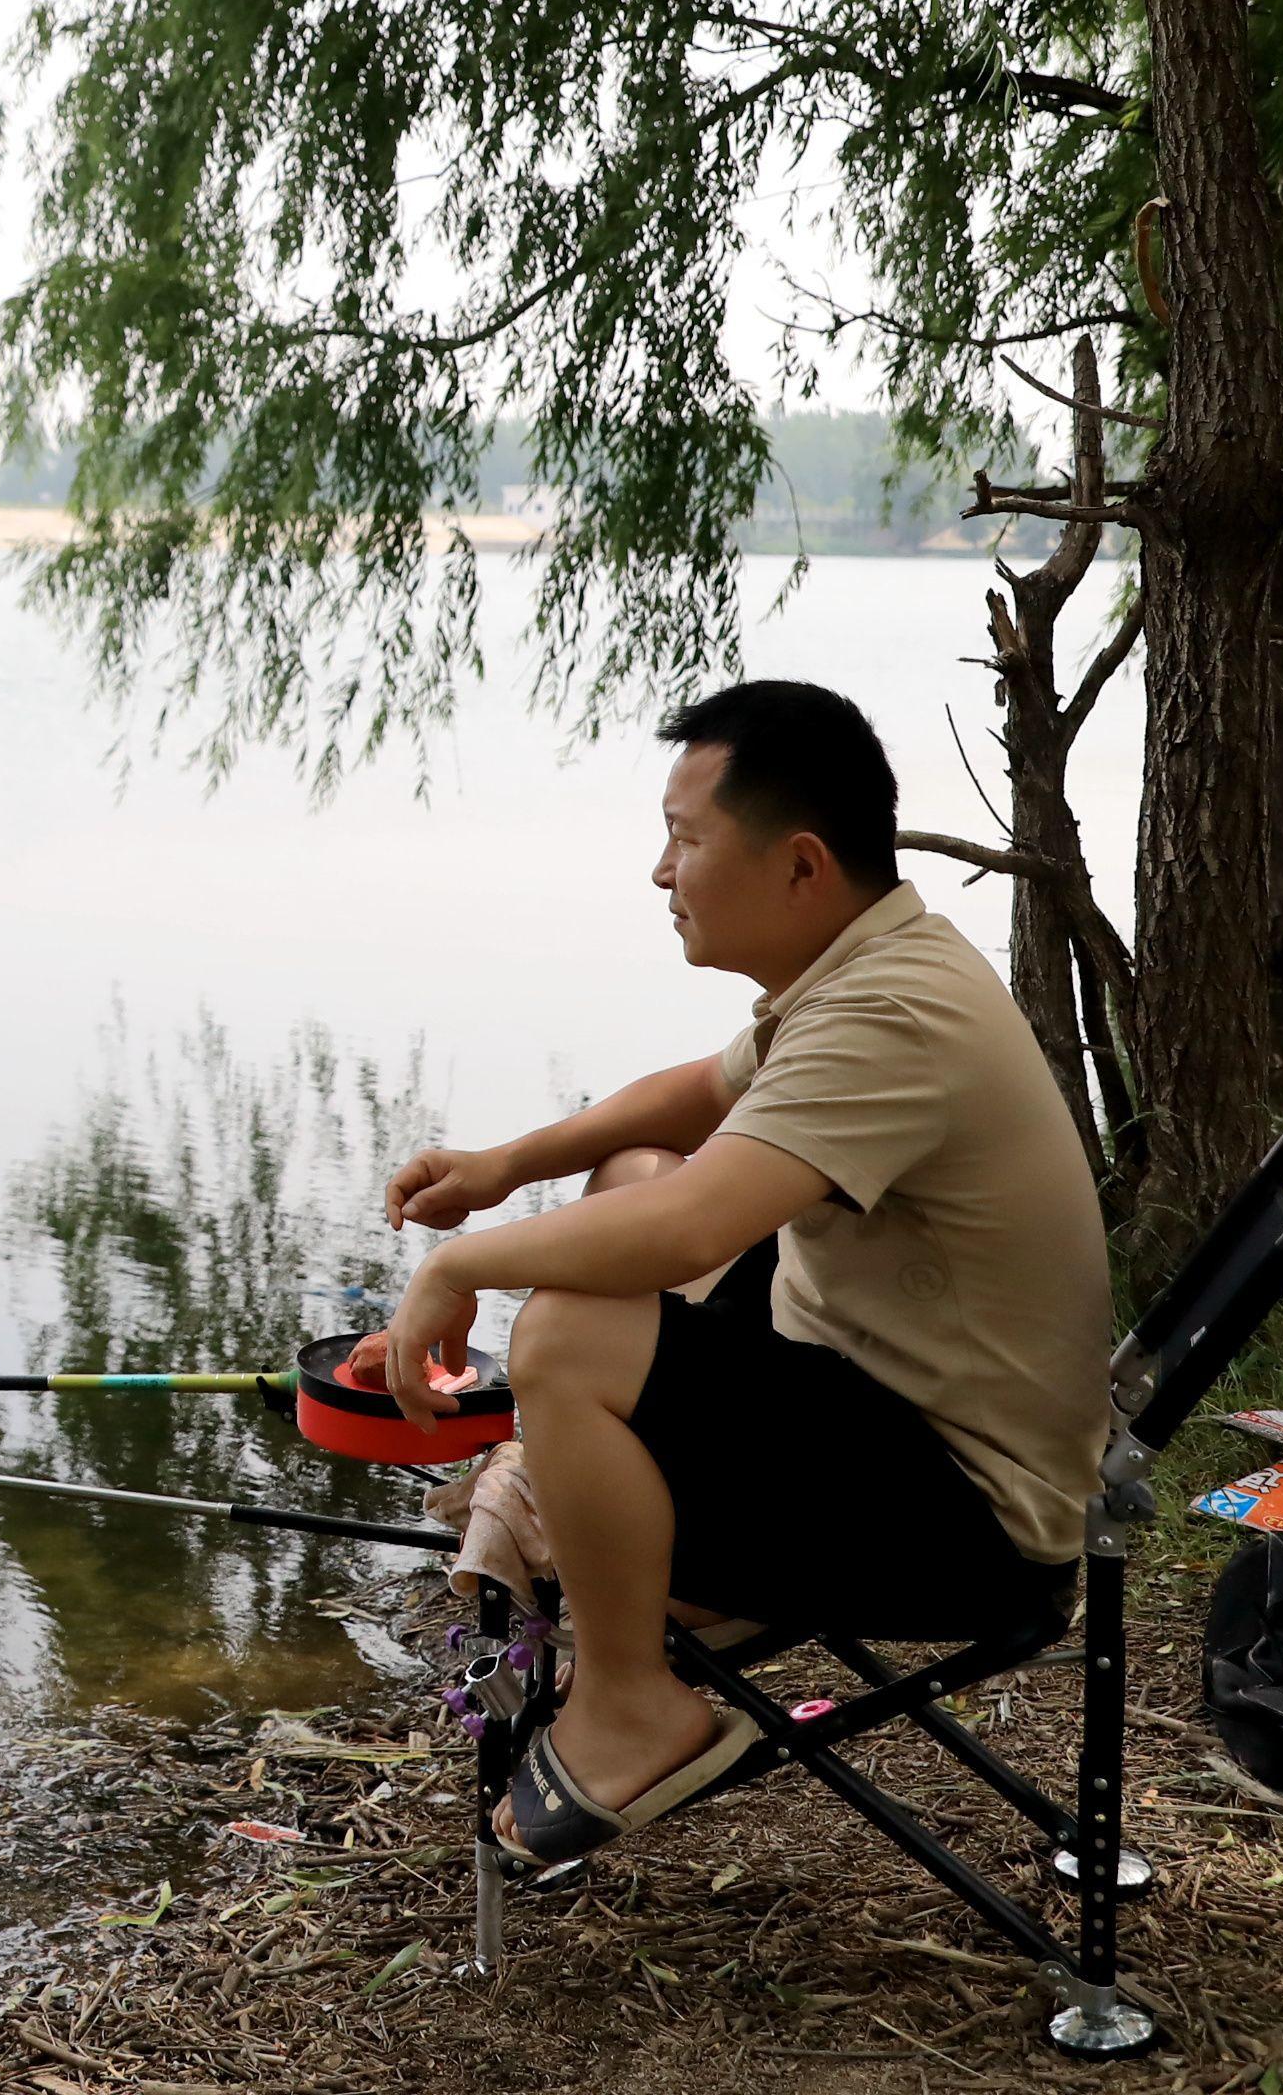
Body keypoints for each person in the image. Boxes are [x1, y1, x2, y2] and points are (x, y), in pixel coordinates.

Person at [375, 679, 1111, 1863]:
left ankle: (632, 1703)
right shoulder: (864, 964)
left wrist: (461, 1264)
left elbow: (687, 1236)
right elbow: (698, 1099)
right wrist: (505, 1165)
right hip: (886, 1407)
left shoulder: (891, 1016)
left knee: (564, 1331)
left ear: (801, 866)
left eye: (685, 840)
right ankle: (650, 1560)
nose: (661, 874)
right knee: (634, 1169)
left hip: (969, 1519)